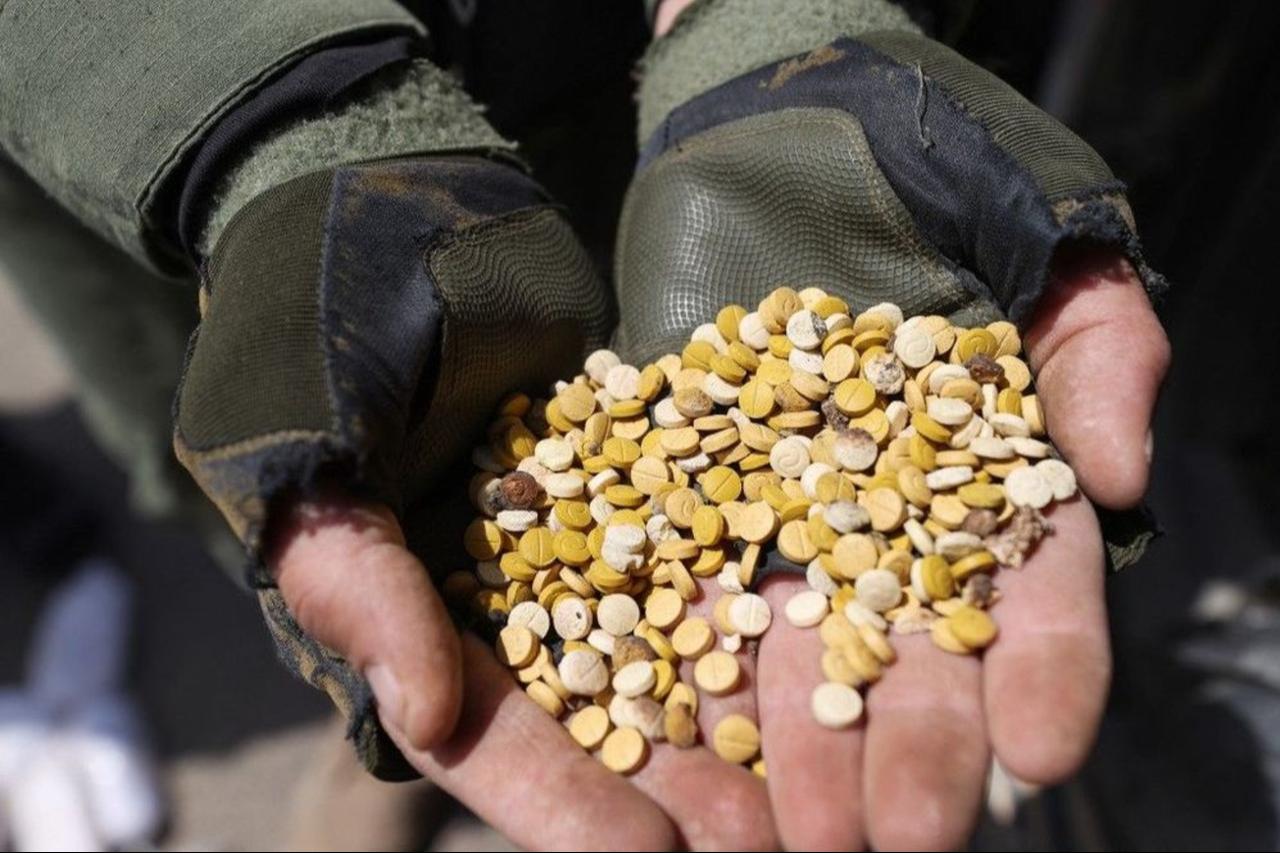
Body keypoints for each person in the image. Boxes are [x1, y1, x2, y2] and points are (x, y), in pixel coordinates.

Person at [0, 0, 1170, 848]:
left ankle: (425, 703)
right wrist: (285, 125)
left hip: (645, 69)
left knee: (399, 497)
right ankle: (406, 724)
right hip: (166, 142)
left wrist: (765, 23)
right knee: (324, 459)